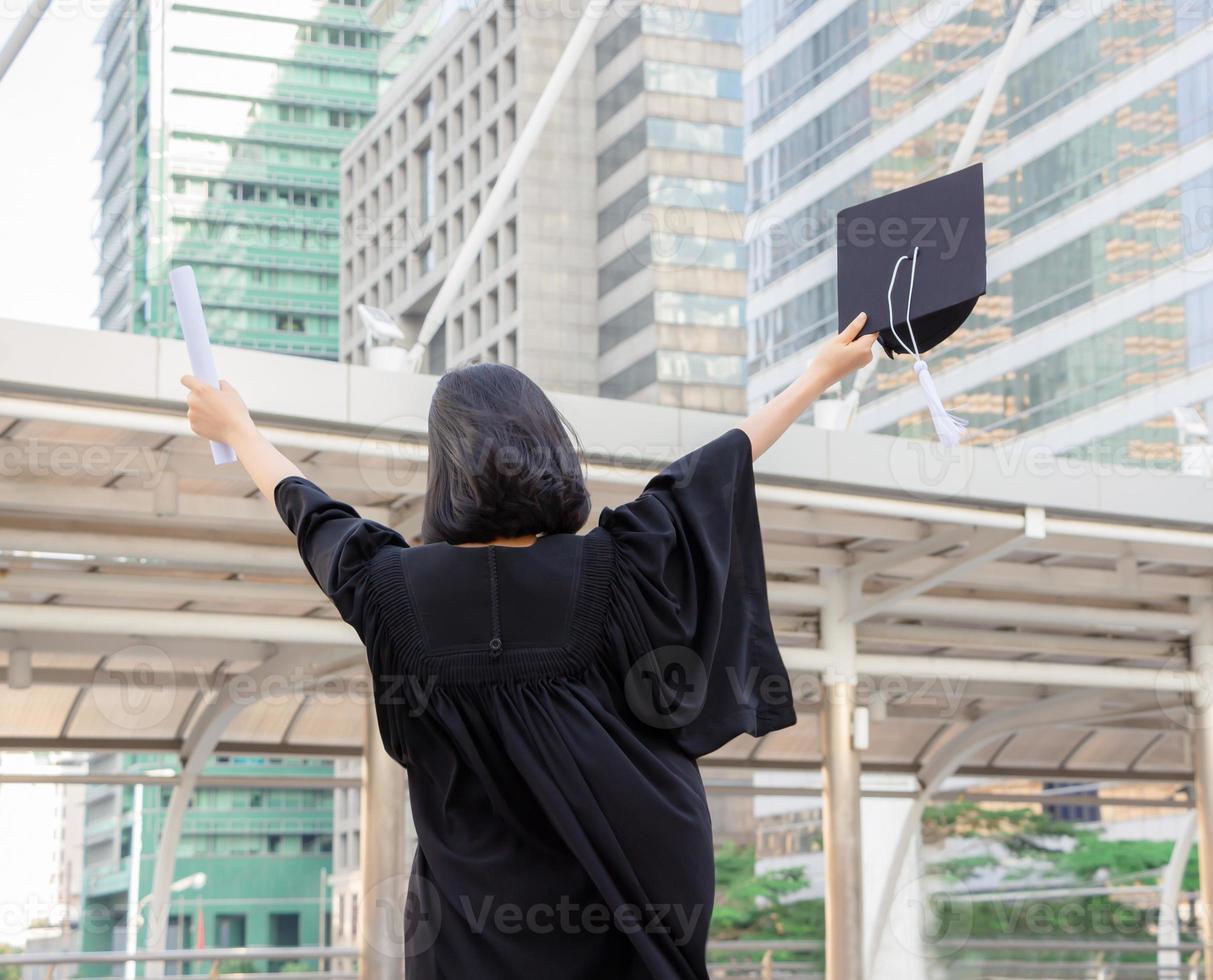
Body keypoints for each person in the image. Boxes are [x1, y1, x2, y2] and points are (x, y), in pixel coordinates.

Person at [180, 313, 876, 979]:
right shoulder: (619, 563)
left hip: (472, 923)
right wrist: (814, 376)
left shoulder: (387, 587)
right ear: (550, 445)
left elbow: (313, 514)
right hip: (629, 896)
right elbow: (714, 470)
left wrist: (239, 430)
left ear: (443, 468)